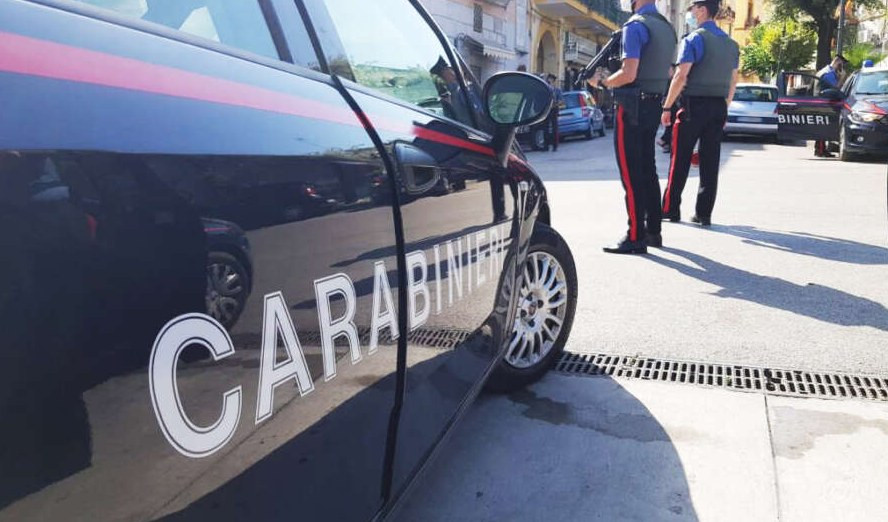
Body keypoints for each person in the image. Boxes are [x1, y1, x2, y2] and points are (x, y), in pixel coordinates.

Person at [587, 0, 676, 253]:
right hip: (653, 103)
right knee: (647, 168)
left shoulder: (635, 26)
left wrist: (604, 84)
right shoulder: (666, 28)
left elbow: (629, 73)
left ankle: (635, 236)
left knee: (631, 173)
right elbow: (669, 71)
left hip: (633, 105)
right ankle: (653, 232)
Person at [660, 0, 739, 227]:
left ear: (703, 10)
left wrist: (667, 106)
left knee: (680, 158)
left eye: (693, 8)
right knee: (710, 161)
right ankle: (703, 214)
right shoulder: (731, 45)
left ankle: (670, 209)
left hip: (694, 105)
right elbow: (733, 80)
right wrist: (725, 106)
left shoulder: (694, 39)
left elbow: (681, 76)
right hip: (718, 106)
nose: (691, 13)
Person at [813, 54, 847, 158]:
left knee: (821, 127)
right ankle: (820, 150)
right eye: (841, 65)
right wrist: (842, 77)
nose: (842, 68)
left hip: (820, 103)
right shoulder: (828, 74)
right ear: (838, 63)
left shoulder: (825, 71)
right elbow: (835, 89)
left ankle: (820, 149)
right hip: (824, 104)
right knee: (823, 128)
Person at [545, 73, 563, 151]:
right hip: (546, 110)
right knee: (545, 128)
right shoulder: (545, 89)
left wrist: (555, 104)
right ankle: (546, 146)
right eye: (549, 79)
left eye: (551, 79)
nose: (549, 80)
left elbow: (561, 100)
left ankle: (555, 146)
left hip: (554, 109)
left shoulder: (557, 90)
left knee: (554, 128)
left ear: (553, 81)